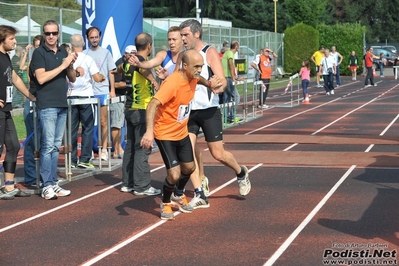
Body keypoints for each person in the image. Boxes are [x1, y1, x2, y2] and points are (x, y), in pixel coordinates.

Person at [179, 19, 251, 209]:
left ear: (197, 34)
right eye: (181, 35)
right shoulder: (184, 56)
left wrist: (218, 85)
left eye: (185, 35)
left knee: (217, 153)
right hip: (188, 111)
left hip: (208, 110)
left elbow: (223, 81)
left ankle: (241, 171)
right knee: (187, 153)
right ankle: (199, 193)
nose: (183, 39)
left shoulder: (209, 52)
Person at [141, 49, 220, 220]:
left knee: (190, 168)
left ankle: (178, 193)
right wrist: (149, 132)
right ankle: (166, 202)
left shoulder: (193, 77)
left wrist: (210, 85)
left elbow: (200, 79)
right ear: (185, 66)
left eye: (201, 66)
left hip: (181, 131)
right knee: (174, 174)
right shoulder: (172, 83)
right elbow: (153, 105)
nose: (199, 69)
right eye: (196, 66)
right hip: (165, 134)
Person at [29, 20, 78, 200]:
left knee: (56, 146)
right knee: (48, 145)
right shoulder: (38, 53)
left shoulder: (64, 52)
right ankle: (46, 184)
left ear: (58, 34)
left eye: (54, 33)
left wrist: (71, 64)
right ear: (43, 34)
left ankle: (53, 181)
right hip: (47, 104)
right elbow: (41, 78)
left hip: (61, 103)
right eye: (48, 33)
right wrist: (63, 65)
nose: (51, 36)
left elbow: (71, 78)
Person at [121, 33, 161, 196]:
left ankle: (127, 183)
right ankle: (142, 186)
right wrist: (154, 81)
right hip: (142, 109)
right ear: (149, 46)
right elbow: (143, 69)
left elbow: (120, 69)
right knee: (142, 148)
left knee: (130, 147)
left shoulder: (127, 62)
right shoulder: (140, 62)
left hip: (130, 108)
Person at [0, 25, 36, 199]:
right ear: (2, 40)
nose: (15, 41)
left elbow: (13, 77)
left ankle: (8, 186)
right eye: (11, 38)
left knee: (13, 145)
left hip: (6, 110)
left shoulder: (6, 57)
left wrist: (31, 96)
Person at [67, 34, 105, 168]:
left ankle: (71, 160)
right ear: (83, 44)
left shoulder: (67, 59)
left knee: (71, 129)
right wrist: (102, 77)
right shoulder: (88, 59)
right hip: (86, 97)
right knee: (87, 128)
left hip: (71, 97)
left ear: (71, 45)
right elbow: (96, 77)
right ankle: (84, 159)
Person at [84, 26, 116, 161]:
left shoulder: (106, 53)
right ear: (88, 39)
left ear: (100, 37)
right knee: (88, 122)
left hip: (103, 91)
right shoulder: (85, 53)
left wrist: (112, 90)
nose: (94, 39)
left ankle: (104, 149)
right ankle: (90, 150)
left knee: (103, 121)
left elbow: (111, 72)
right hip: (89, 92)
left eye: (96, 37)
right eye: (92, 37)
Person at [23, 34, 42, 187]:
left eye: (38, 47)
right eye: (35, 47)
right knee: (31, 142)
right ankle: (30, 177)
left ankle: (45, 176)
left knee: (46, 143)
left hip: (47, 103)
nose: (36, 49)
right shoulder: (33, 63)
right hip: (33, 102)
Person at [221, 40, 243, 123]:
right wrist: (233, 77)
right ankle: (231, 116)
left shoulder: (227, 53)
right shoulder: (230, 53)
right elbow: (231, 65)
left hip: (226, 77)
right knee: (236, 97)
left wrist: (235, 77)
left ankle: (225, 117)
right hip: (228, 78)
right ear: (236, 46)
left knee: (226, 98)